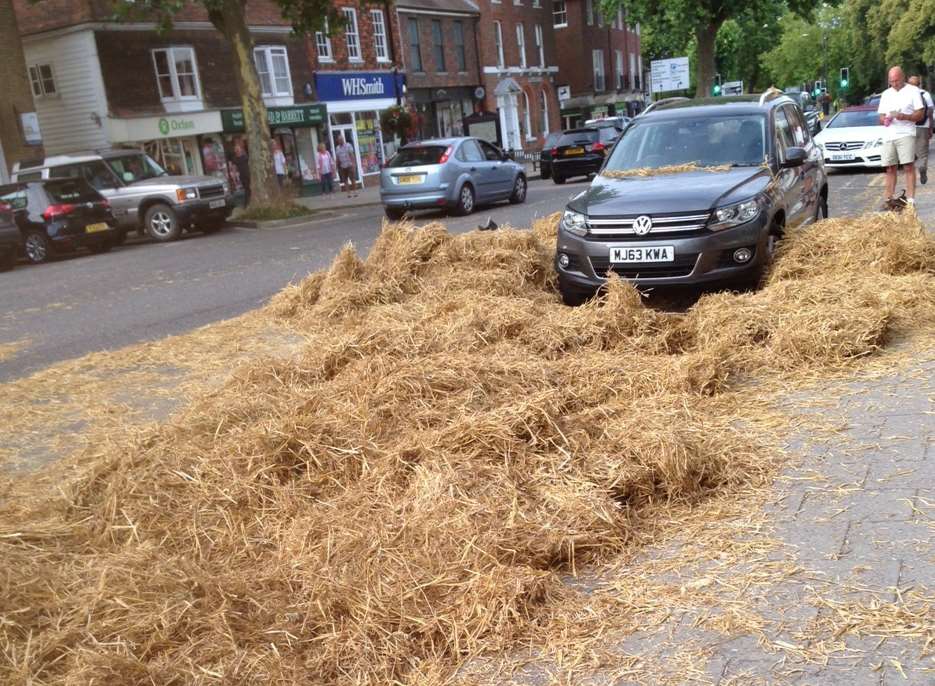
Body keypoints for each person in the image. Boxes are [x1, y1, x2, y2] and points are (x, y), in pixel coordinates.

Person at [877, 66, 924, 209]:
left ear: (903, 77)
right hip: (889, 135)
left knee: (908, 166)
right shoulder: (886, 94)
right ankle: (889, 198)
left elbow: (920, 114)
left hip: (906, 133)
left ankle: (910, 200)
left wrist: (904, 116)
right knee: (890, 168)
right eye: (891, 81)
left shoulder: (913, 91)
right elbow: (881, 116)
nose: (894, 84)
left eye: (897, 80)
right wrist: (885, 119)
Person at [908, 75, 933, 185]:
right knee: (923, 153)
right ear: (919, 84)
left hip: (909, 127)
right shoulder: (925, 94)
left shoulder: (905, 94)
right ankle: (922, 167)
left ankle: (910, 175)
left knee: (910, 152)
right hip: (923, 126)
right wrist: (931, 126)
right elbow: (931, 111)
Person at [231, 140, 251, 206]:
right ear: (235, 151)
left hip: (249, 174)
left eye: (238, 149)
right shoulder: (235, 159)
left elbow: (250, 164)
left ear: (240, 150)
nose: (237, 150)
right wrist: (234, 179)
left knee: (250, 188)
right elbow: (233, 169)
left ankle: (249, 202)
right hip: (242, 176)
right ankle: (246, 203)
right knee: (246, 189)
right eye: (236, 150)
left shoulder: (245, 156)